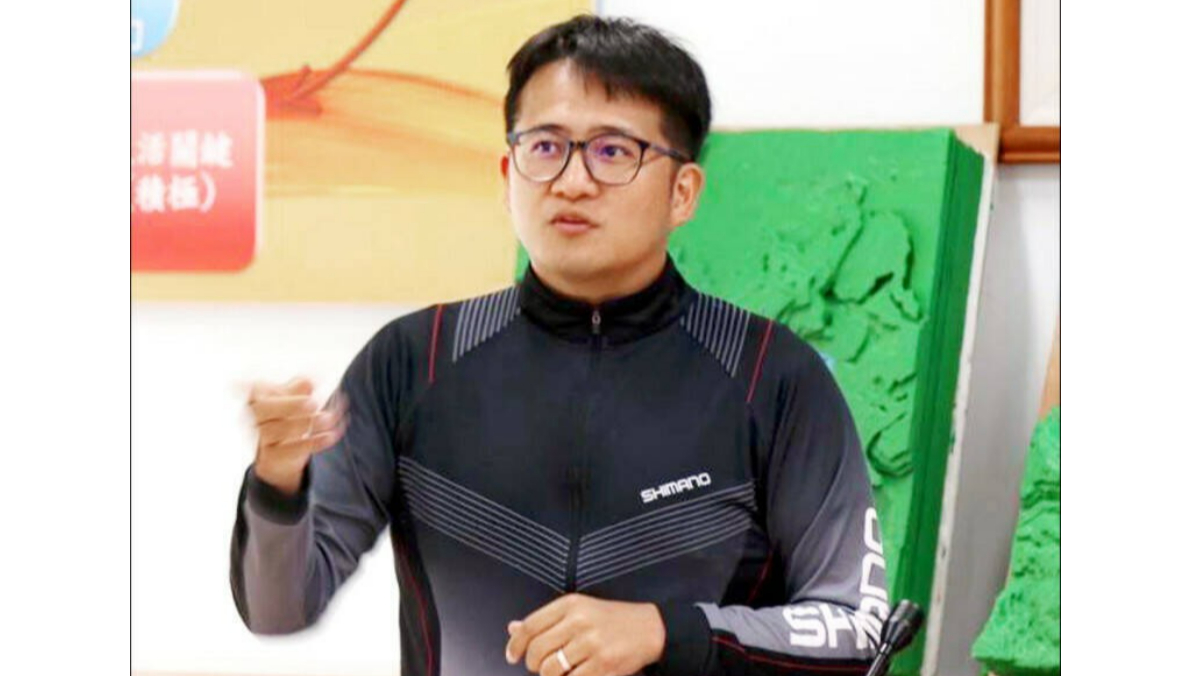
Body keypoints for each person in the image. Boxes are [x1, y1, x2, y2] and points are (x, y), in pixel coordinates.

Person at [231, 14, 890, 676]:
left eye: (613, 151)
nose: (572, 181)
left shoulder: (770, 376)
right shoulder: (413, 361)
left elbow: (856, 629)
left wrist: (669, 634)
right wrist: (279, 483)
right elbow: (277, 608)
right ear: (507, 174)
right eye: (545, 147)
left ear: (682, 192)